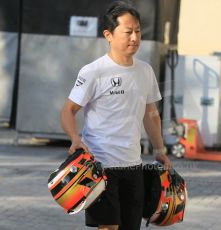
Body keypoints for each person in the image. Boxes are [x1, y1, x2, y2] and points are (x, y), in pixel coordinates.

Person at [60, 1, 171, 230]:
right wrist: (75, 138)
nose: (134, 37)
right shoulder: (94, 71)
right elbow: (68, 110)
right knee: (109, 227)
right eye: (128, 32)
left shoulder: (145, 71)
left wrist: (160, 150)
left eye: (138, 31)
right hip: (100, 166)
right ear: (108, 35)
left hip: (134, 166)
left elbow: (151, 115)